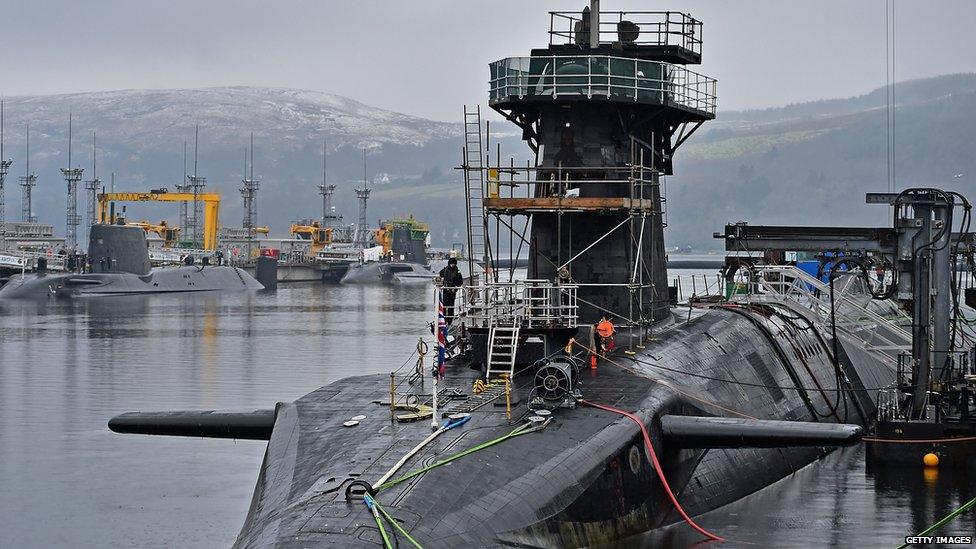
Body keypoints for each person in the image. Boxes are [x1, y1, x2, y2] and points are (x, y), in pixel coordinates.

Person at [438, 257, 464, 324]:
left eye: (454, 264)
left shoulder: (457, 271)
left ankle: (450, 320)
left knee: (451, 306)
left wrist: (455, 286)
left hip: (452, 290)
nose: (452, 265)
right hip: (445, 290)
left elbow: (460, 281)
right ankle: (444, 319)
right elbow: (440, 276)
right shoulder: (444, 270)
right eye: (451, 263)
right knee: (444, 305)